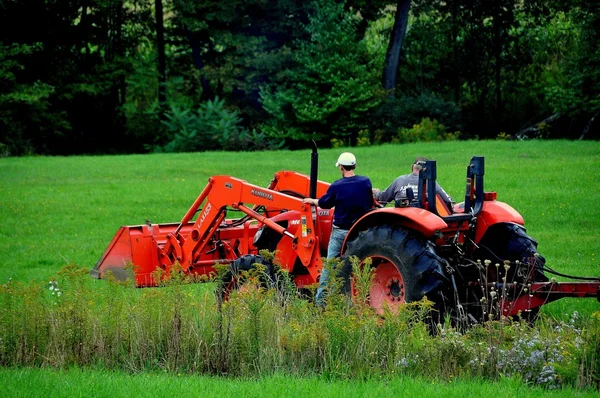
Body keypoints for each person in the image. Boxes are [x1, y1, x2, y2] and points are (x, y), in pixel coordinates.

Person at [302, 151, 373, 305]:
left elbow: (325, 203)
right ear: (354, 165)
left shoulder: (336, 186)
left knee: (330, 267)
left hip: (341, 232)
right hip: (361, 230)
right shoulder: (365, 182)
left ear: (341, 167)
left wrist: (312, 201)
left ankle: (321, 302)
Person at [373, 156, 453, 210]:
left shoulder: (399, 180)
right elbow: (448, 201)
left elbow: (383, 197)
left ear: (412, 167)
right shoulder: (431, 183)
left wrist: (375, 192)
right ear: (427, 170)